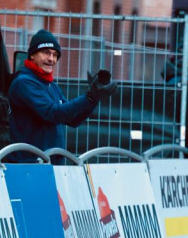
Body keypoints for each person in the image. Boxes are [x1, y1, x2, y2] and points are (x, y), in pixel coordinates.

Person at [8, 29, 117, 162]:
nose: (51, 59)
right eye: (46, 53)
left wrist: (94, 98)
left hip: (50, 164)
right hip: (29, 166)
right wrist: (89, 96)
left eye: (55, 55)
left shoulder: (50, 84)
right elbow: (53, 114)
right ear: (32, 55)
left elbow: (73, 119)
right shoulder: (24, 83)